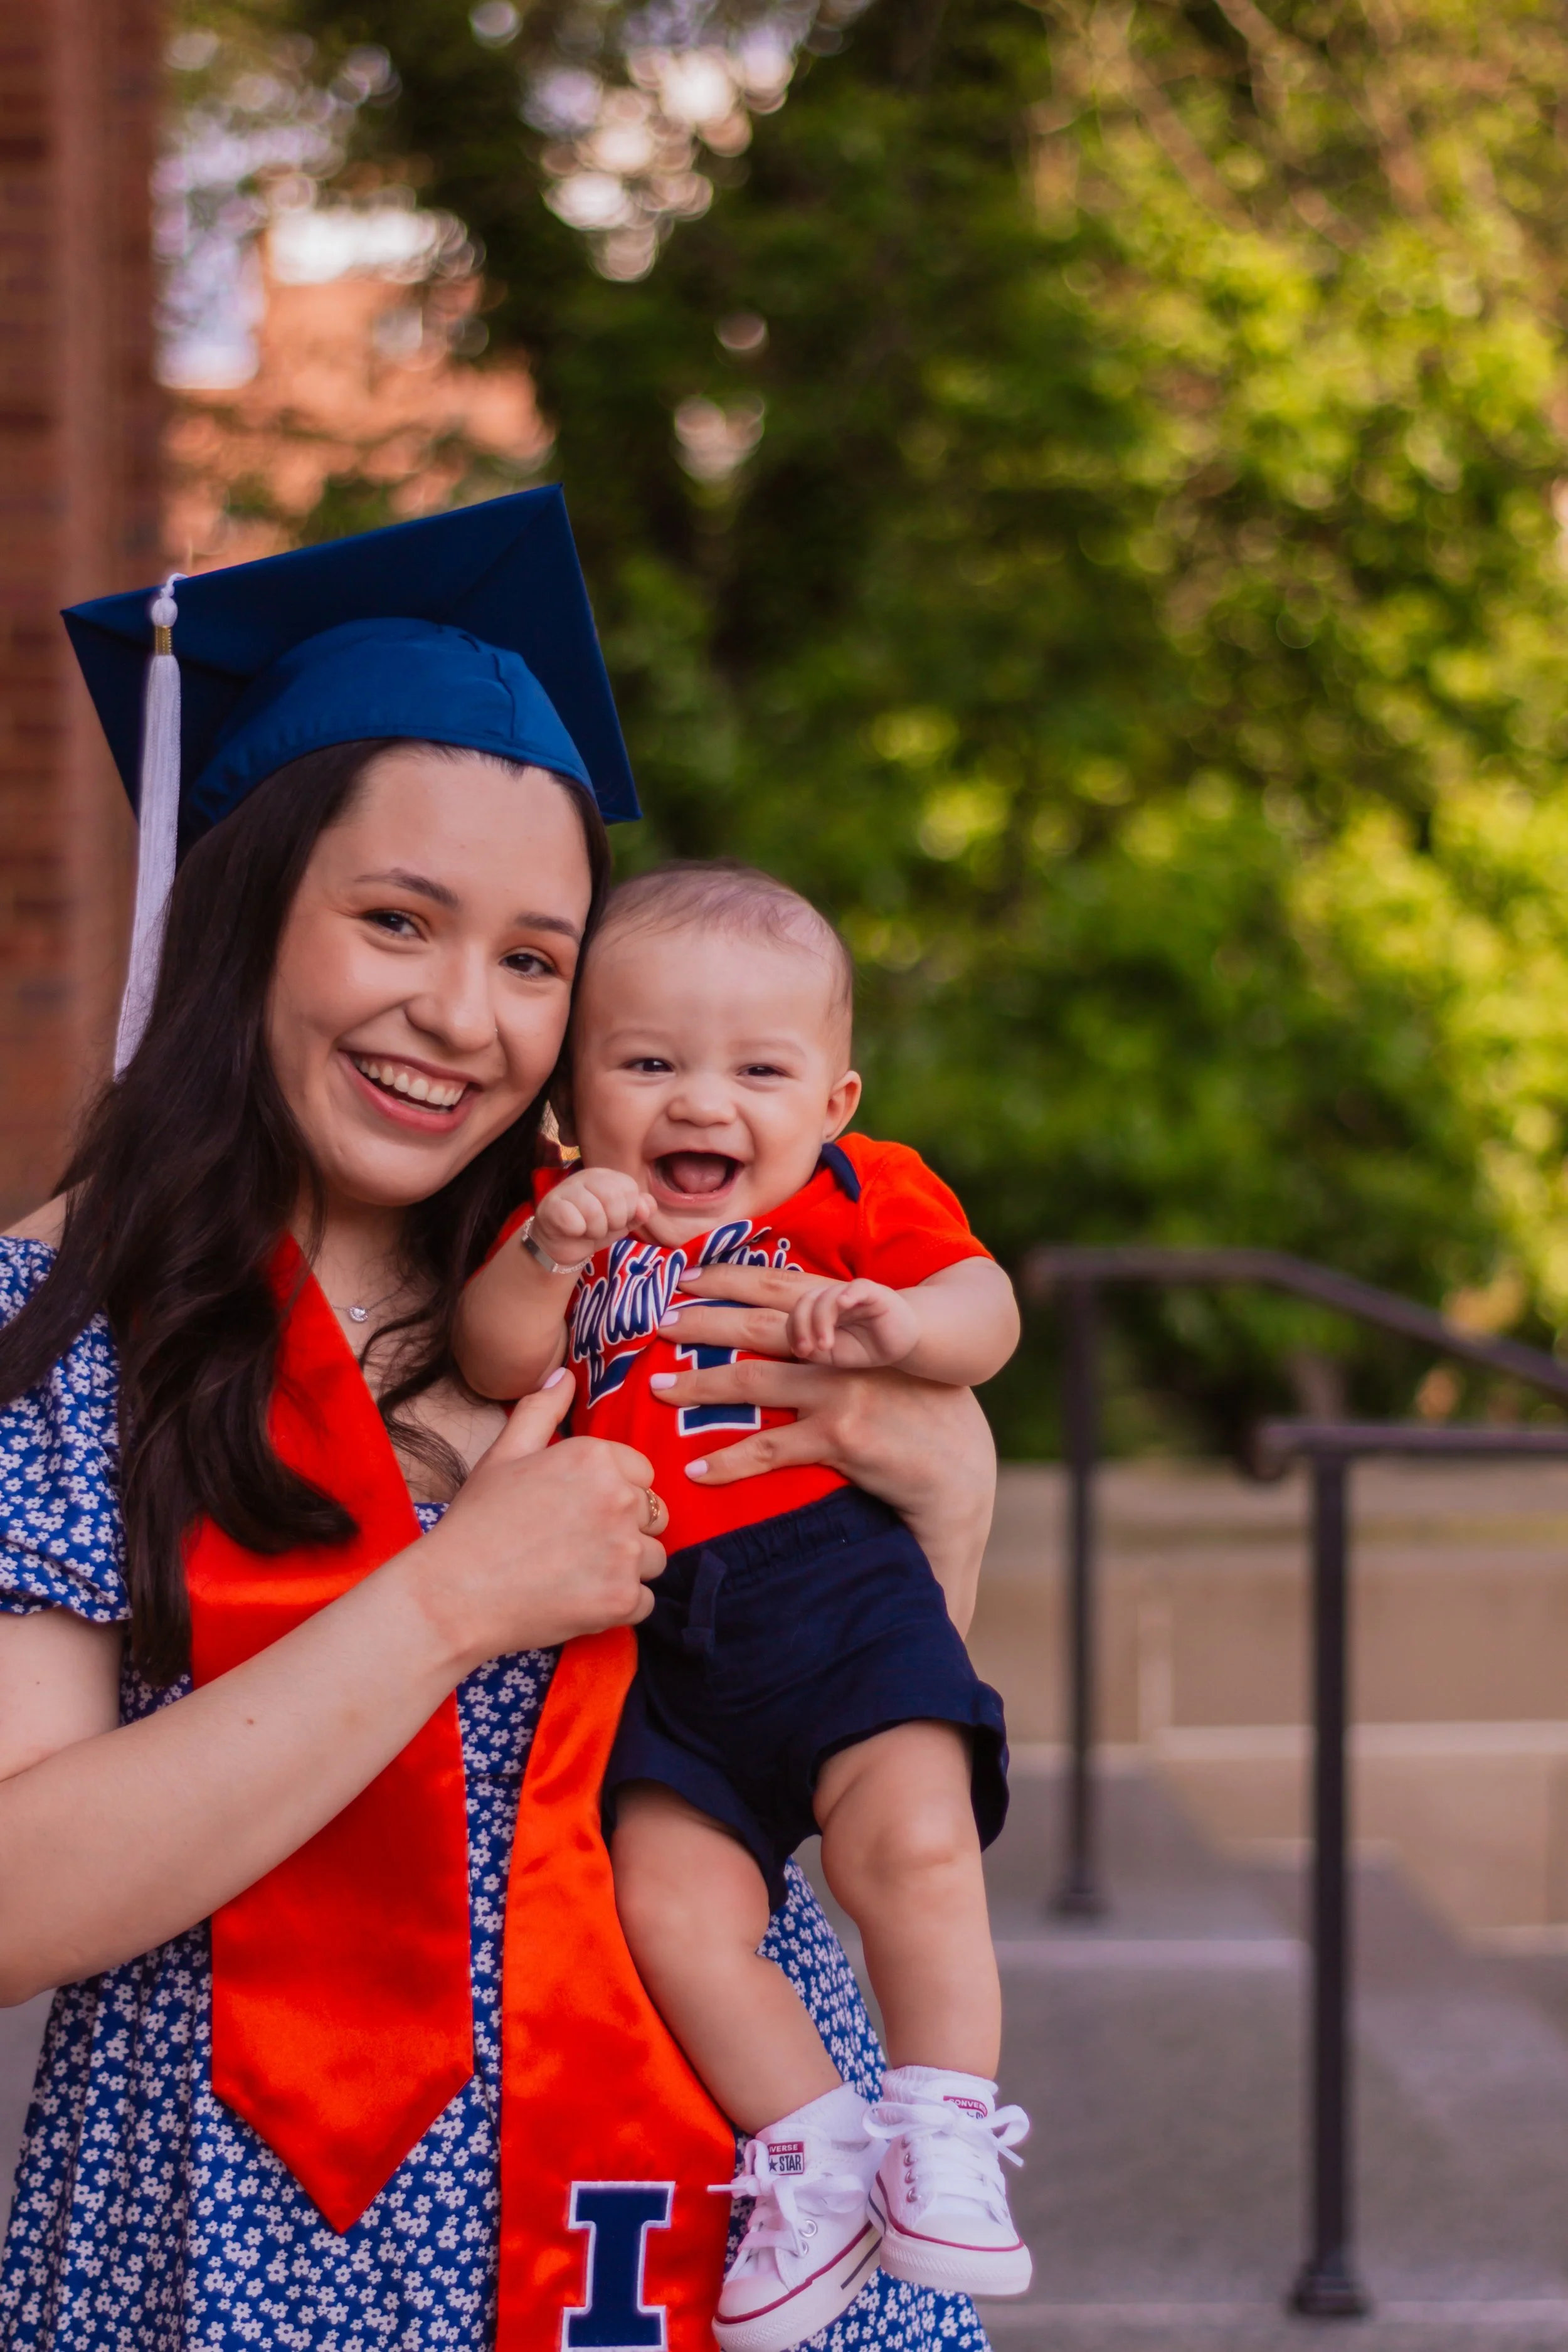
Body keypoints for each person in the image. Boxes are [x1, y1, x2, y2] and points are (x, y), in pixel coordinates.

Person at [0, 490, 1001, 2352]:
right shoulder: (61, 1330)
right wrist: (456, 1596)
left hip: (718, 2205)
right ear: (240, 917)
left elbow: (837, 1736)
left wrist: (944, 1487)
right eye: (396, 919)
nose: (459, 1015)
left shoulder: (655, 1270)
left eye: (535, 957)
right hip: (239, 2234)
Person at [453, 861, 1031, 2352]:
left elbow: (988, 1309)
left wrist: (908, 1326)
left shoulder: (858, 1200)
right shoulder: (568, 1217)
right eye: (649, 1065)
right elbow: (499, 1356)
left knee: (911, 1839)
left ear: (832, 1103)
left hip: (832, 1584)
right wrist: (547, 1251)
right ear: (573, 1097)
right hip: (657, 1627)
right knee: (671, 1905)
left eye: (756, 1071)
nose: (703, 1103)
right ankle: (811, 2151)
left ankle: (945, 2121)